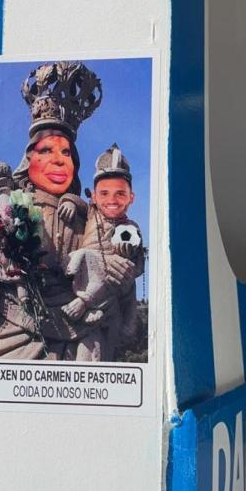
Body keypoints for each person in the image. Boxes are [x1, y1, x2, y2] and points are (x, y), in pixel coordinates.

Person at [0, 62, 135, 361]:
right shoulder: (7, 204)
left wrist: (121, 271)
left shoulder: (90, 215)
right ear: (29, 160)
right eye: (46, 151)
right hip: (12, 332)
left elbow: (108, 258)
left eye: (66, 153)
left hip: (78, 332)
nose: (58, 161)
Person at [62, 144, 144, 361]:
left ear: (131, 198)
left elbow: (135, 264)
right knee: (89, 258)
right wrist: (69, 202)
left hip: (108, 291)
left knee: (118, 269)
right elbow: (73, 199)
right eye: (104, 193)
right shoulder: (90, 212)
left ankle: (91, 305)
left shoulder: (129, 226)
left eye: (120, 194)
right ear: (94, 197)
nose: (112, 200)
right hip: (83, 275)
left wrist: (127, 251)